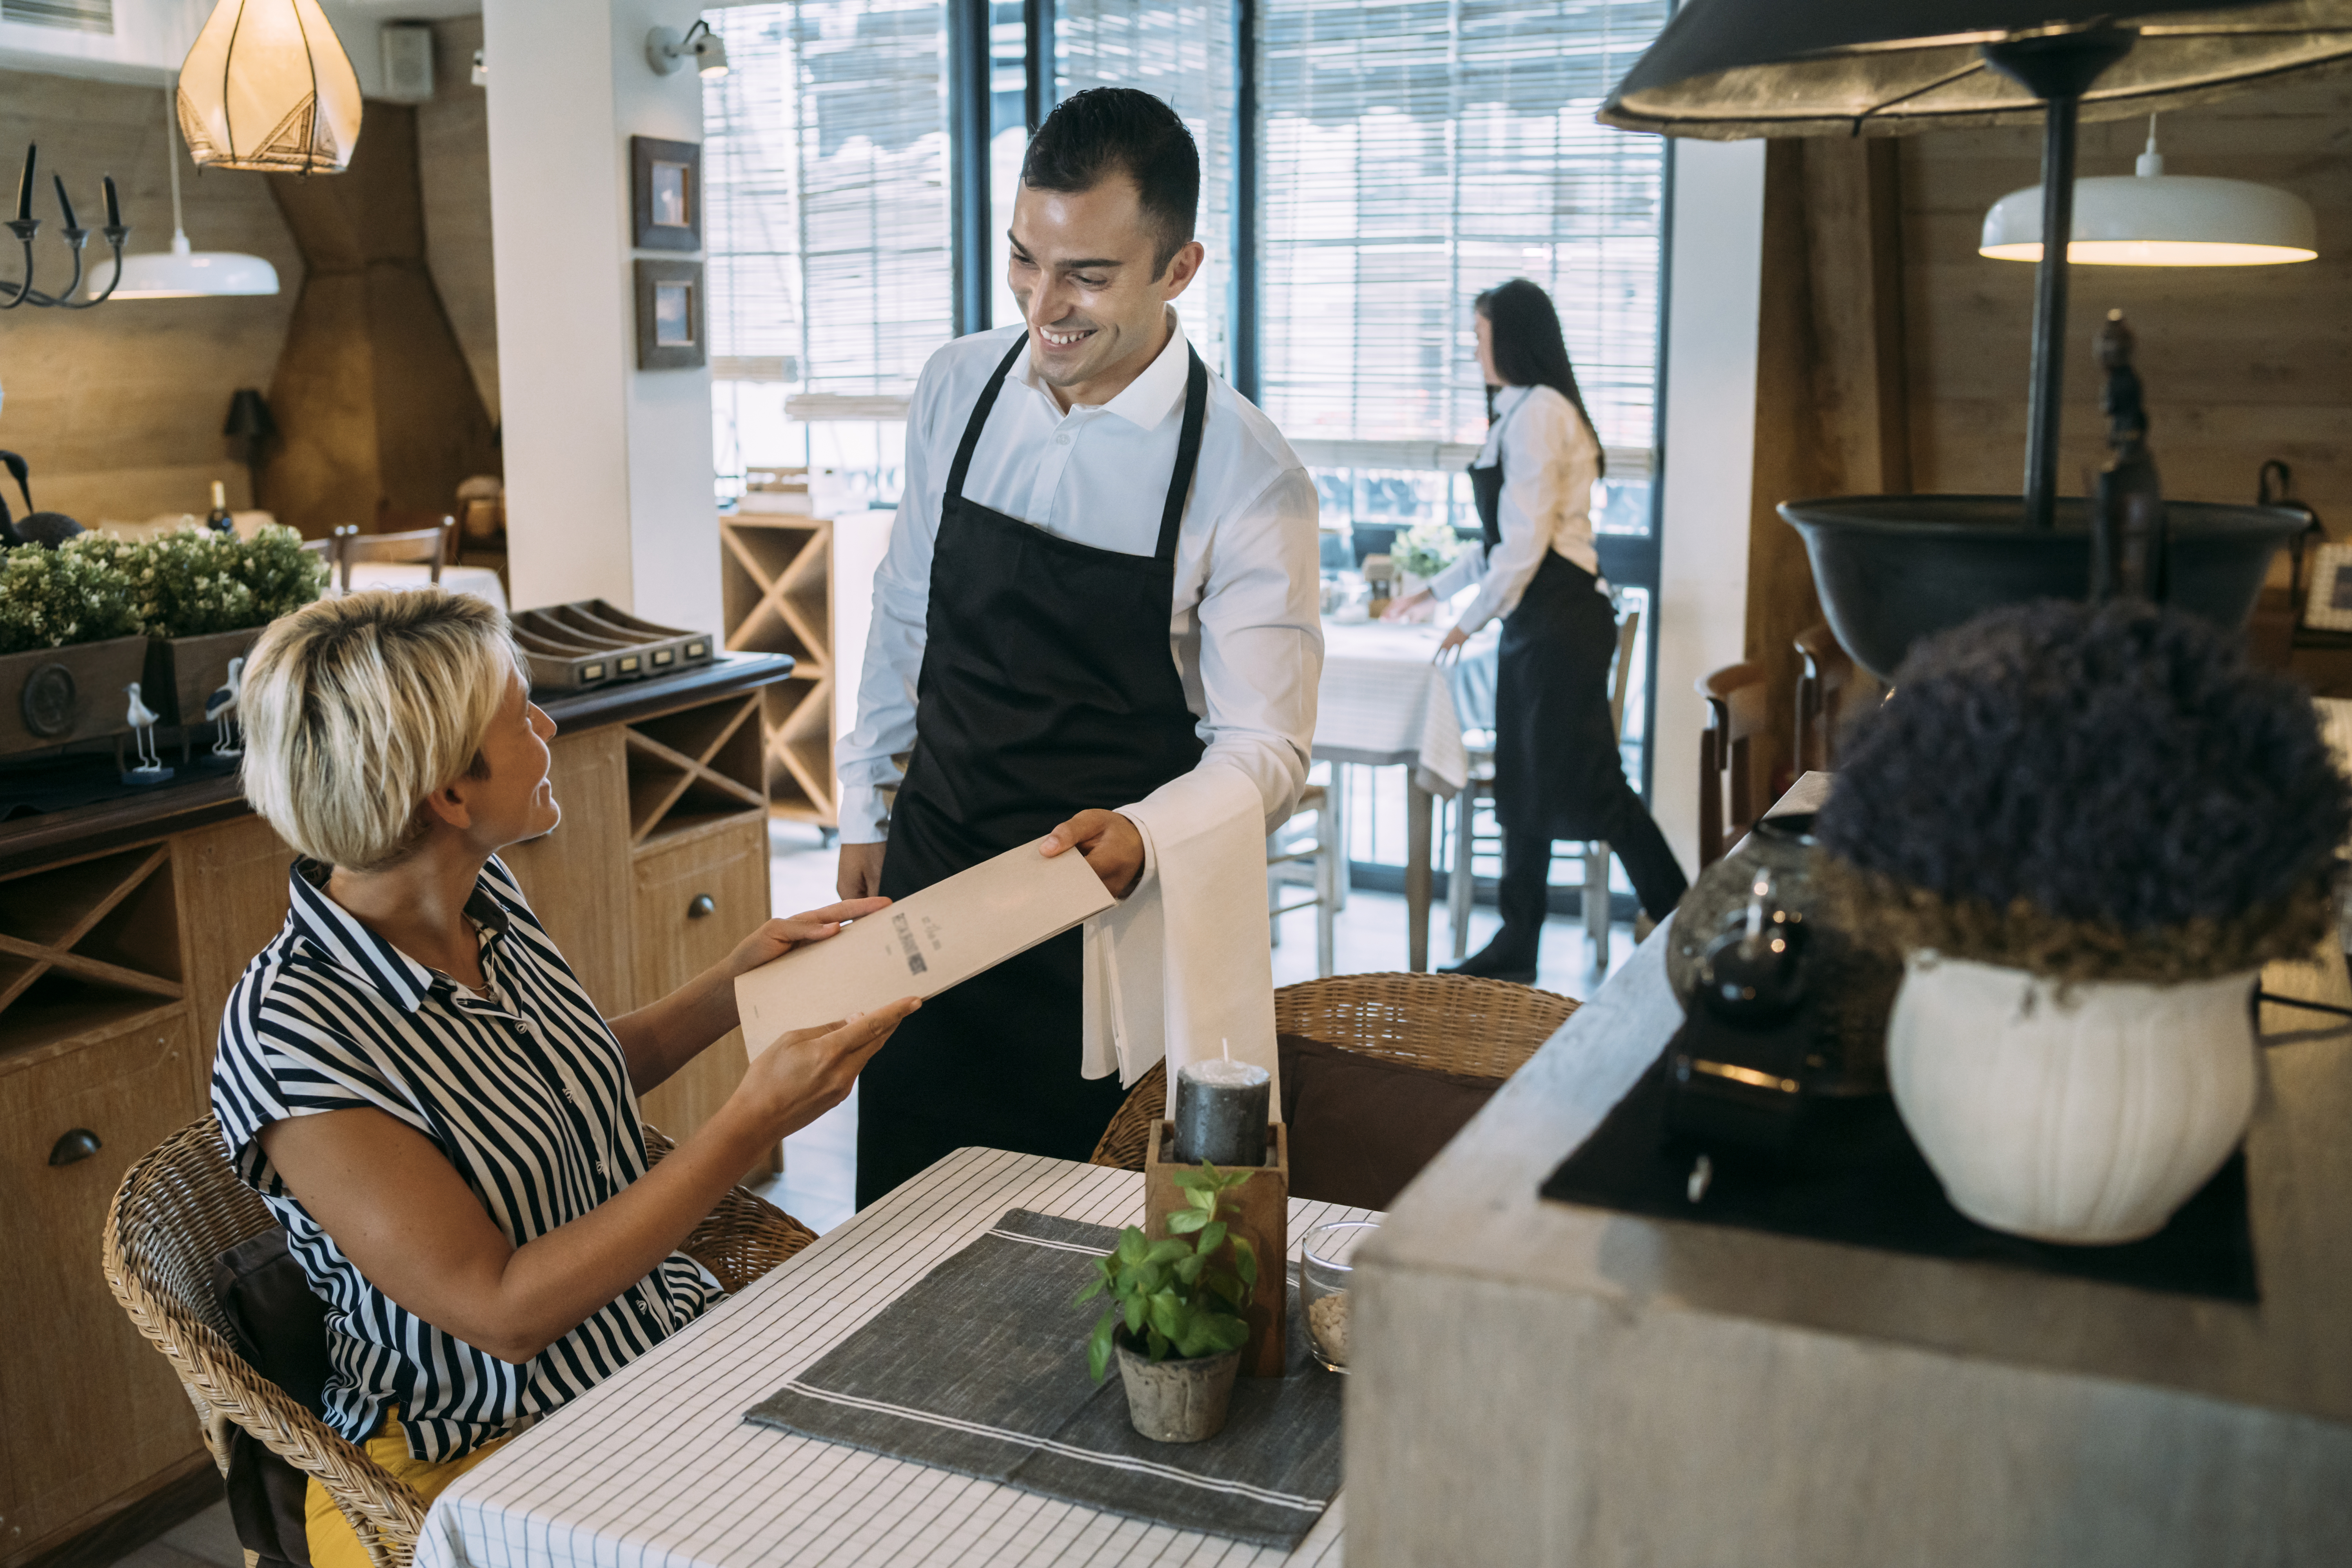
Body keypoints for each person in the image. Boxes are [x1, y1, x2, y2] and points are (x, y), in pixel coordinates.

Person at [212, 589, 918, 1568]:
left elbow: (570, 1073)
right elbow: (505, 1311)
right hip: (470, 1449)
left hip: (658, 1349)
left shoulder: (480, 892)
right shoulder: (293, 1031)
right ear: (450, 796)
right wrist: (746, 1125)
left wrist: (733, 980)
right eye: (522, 716)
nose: (547, 727)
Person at [836, 87, 1321, 1209]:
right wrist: (866, 803)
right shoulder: (956, 387)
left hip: (1105, 928)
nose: (1042, 307)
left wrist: (1146, 837)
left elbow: (1268, 747)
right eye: (1023, 261)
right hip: (932, 885)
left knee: (1086, 1261)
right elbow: (906, 604)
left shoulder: (1251, 476)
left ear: (1180, 268)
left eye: (1087, 277)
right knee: (897, 1230)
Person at [1386, 278, 1686, 981]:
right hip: (1537, 624)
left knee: (1594, 784)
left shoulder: (1541, 414)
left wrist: (1465, 623)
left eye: (1481, 336)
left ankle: (1683, 924)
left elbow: (1522, 550)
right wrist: (1429, 591)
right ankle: (1518, 942)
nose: (1474, 350)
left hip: (1562, 624)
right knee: (1526, 783)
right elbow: (1497, 546)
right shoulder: (1514, 412)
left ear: (1513, 338)